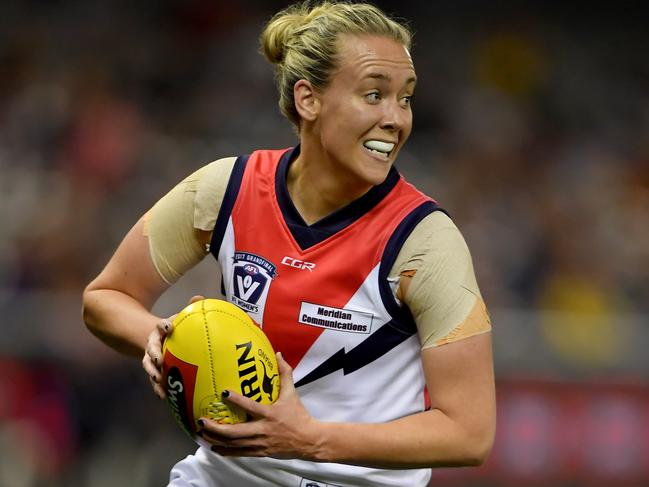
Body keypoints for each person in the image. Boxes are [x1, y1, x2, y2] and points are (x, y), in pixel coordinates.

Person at [82, 1, 496, 486]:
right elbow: (105, 298)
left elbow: (470, 433)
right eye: (373, 94)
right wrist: (156, 339)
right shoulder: (227, 189)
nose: (396, 119)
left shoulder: (424, 241)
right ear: (308, 100)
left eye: (404, 98)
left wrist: (311, 438)